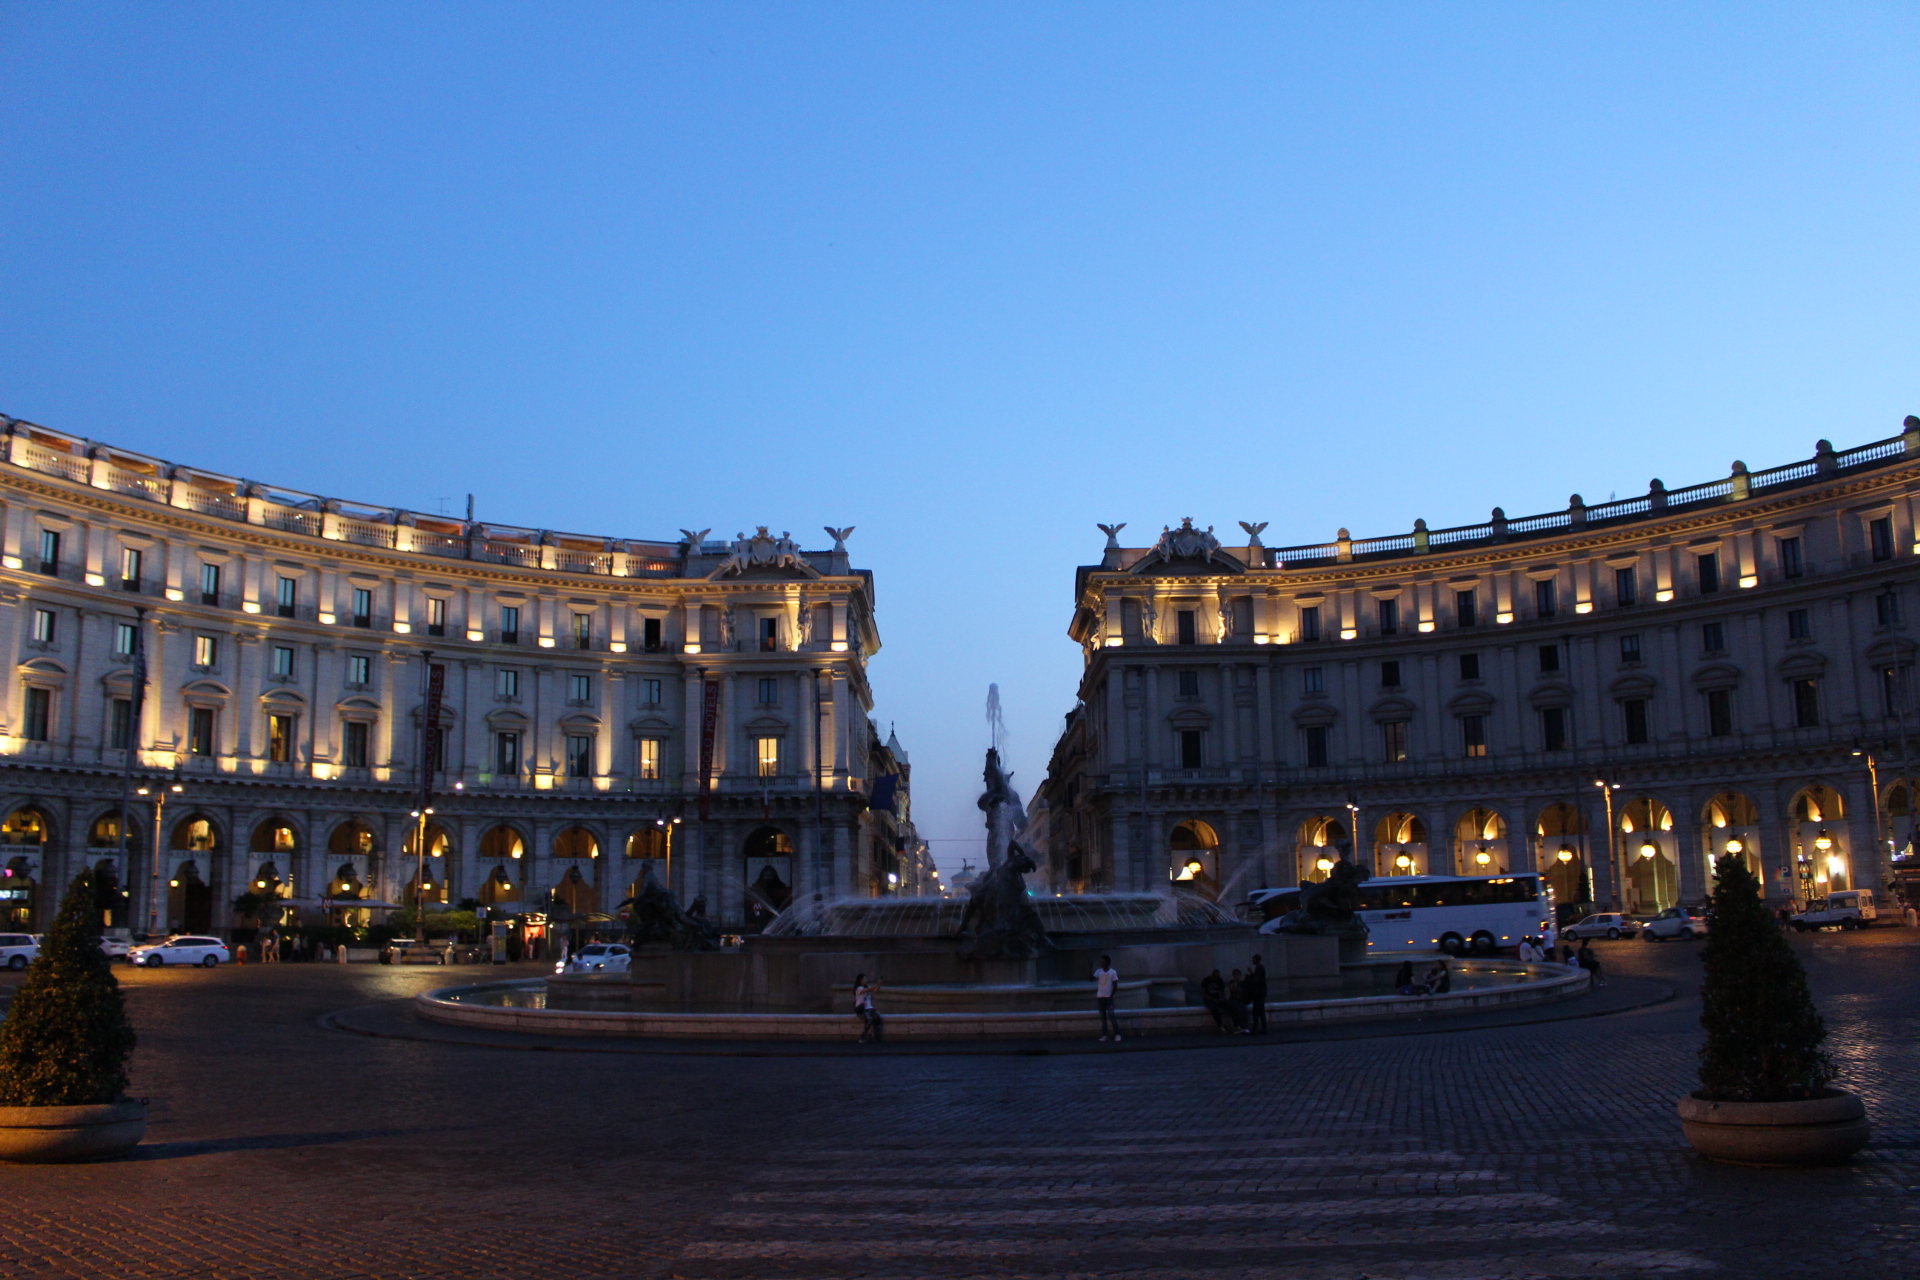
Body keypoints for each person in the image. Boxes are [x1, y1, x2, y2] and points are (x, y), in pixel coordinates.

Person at [1092, 954, 1121, 1042]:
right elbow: (1091, 979)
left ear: (1107, 962)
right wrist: (1090, 969)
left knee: (1112, 1016)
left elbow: (1115, 985)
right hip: (1100, 997)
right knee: (1103, 1018)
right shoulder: (1098, 971)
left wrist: (1111, 996)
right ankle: (1105, 1035)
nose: (1101, 962)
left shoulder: (1112, 972)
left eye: (1103, 961)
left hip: (1108, 998)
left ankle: (1117, 1034)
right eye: (1101, 961)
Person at [852, 972, 883, 1043]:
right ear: (861, 980)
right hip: (862, 1009)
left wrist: (879, 984)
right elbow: (869, 990)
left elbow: (874, 991)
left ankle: (875, 1036)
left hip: (869, 1008)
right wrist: (877, 984)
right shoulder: (859, 989)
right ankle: (862, 1037)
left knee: (878, 1017)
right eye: (864, 978)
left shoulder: (867, 987)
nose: (866, 979)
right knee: (869, 1019)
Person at [1245, 954, 1269, 1034]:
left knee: (1256, 1011)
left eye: (1253, 959)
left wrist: (1250, 976)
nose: (1252, 960)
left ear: (1257, 960)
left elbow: (1256, 979)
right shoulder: (1260, 968)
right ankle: (1264, 1028)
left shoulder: (1259, 968)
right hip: (1261, 992)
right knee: (1261, 1011)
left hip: (1259, 993)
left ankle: (1256, 1029)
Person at [1227, 969, 1250, 1034]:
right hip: (1233, 1000)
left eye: (1238, 975)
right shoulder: (1232, 982)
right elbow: (1233, 989)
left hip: (1241, 1000)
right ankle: (1237, 1026)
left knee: (1244, 1010)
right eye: (1235, 975)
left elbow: (1244, 992)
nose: (1237, 976)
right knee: (1236, 1009)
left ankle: (1245, 1027)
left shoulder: (1242, 983)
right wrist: (1236, 984)